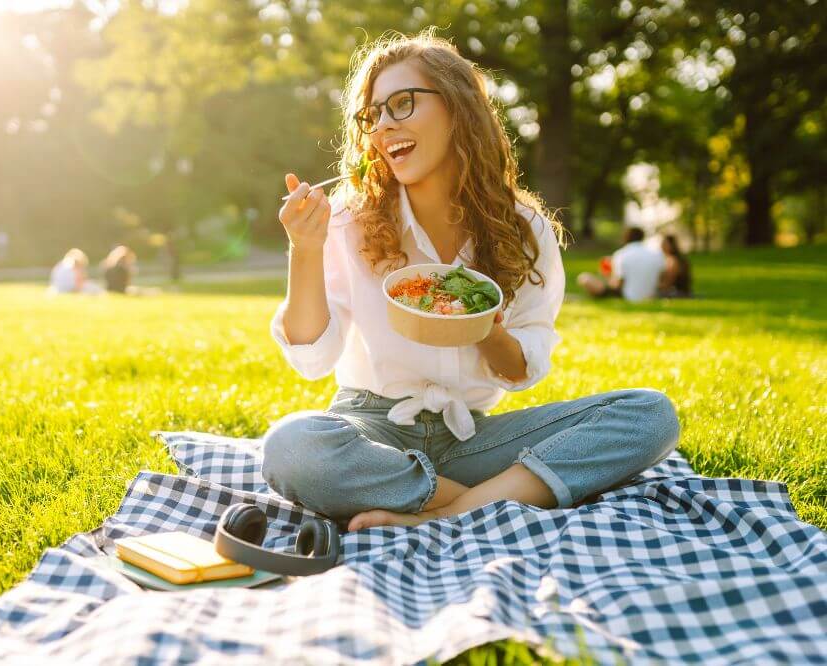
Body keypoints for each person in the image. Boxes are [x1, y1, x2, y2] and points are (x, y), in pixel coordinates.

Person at [262, 30, 680, 532]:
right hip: (373, 431)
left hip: (472, 439)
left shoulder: (526, 230)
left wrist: (486, 329)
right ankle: (485, 502)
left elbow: (522, 370)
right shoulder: (349, 221)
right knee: (292, 448)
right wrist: (304, 250)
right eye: (373, 115)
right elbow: (312, 359)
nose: (383, 127)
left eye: (402, 104)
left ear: (458, 107)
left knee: (651, 415)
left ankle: (451, 512)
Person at [577, 227, 665, 302]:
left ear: (626, 238)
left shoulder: (621, 254)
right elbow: (662, 278)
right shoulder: (657, 254)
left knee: (584, 277)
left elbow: (618, 284)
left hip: (627, 296)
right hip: (651, 296)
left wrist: (606, 277)